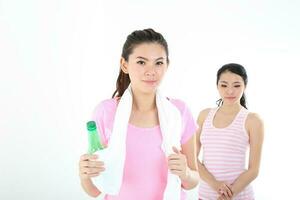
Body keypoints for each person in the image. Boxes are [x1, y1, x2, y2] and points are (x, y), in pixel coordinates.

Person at [78, 28, 199, 200]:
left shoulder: (179, 112)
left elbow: (193, 181)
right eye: (141, 62)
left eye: (158, 63)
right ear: (125, 64)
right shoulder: (106, 112)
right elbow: (94, 191)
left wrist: (186, 173)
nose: (151, 71)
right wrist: (85, 174)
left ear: (167, 65)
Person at [196, 63, 264, 200]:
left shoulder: (253, 120)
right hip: (205, 195)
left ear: (245, 86)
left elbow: (253, 170)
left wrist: (228, 194)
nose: (230, 91)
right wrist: (216, 185)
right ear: (217, 86)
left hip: (239, 196)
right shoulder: (204, 116)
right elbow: (193, 158)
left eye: (237, 85)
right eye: (224, 85)